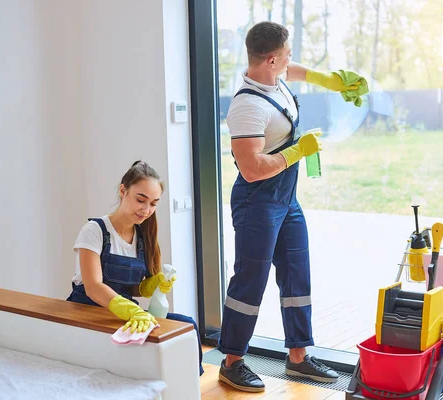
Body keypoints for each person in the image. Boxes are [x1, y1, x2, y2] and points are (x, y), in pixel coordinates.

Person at [218, 21, 367, 392]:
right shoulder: (247, 106)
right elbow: (252, 169)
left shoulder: (274, 78)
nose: (290, 61)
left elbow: (295, 70)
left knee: (296, 274)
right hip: (257, 202)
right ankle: (232, 360)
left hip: (286, 200)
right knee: (251, 280)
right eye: (285, 55)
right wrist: (298, 151)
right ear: (270, 59)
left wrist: (329, 80)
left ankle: (298, 357)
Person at [66, 160, 203, 376]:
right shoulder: (95, 231)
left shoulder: (143, 237)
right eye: (141, 199)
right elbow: (93, 286)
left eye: (154, 203)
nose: (147, 210)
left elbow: (132, 289)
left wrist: (151, 286)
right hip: (89, 311)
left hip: (124, 314)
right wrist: (132, 310)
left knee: (188, 327)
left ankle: (187, 388)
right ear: (123, 190)